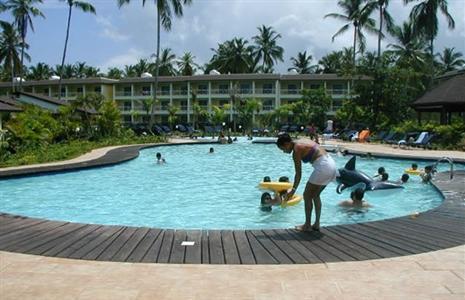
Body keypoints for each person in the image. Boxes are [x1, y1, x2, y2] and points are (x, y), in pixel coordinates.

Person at [276, 133, 337, 232]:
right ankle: (316, 224)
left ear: (287, 144)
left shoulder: (296, 150)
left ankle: (307, 225)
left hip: (323, 167)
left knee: (307, 195)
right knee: (315, 195)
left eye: (283, 149)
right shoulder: (302, 140)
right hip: (332, 165)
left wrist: (292, 192)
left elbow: (298, 174)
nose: (284, 152)